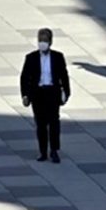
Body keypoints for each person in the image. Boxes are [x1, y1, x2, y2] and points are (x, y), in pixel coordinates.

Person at [19, 28, 70, 163]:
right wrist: (25, 95)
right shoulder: (31, 58)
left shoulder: (58, 57)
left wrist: (66, 93)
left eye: (45, 41)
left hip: (52, 93)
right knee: (40, 124)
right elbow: (25, 78)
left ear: (50, 42)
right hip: (38, 94)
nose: (42, 43)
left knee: (54, 123)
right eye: (40, 40)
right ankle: (42, 152)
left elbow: (64, 77)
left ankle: (54, 150)